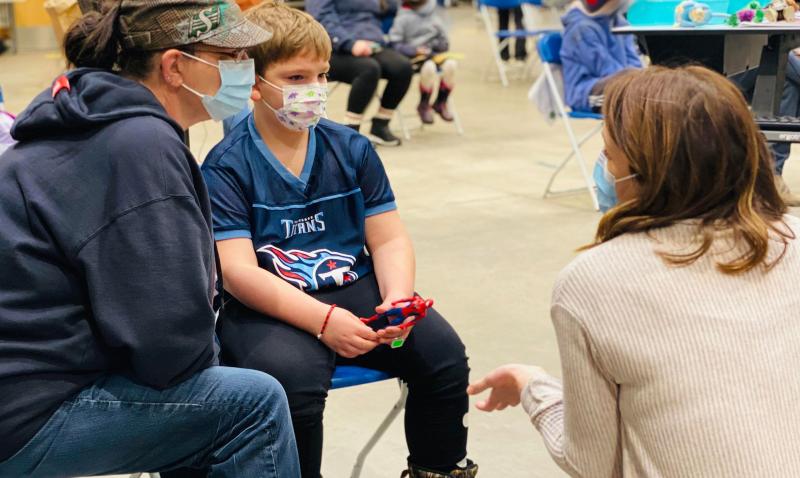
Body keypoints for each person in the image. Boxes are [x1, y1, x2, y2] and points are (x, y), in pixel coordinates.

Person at [0, 1, 300, 477]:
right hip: (29, 415)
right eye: (231, 57)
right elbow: (169, 340)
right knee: (251, 404)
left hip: (28, 388)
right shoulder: (140, 142)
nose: (247, 70)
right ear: (175, 66)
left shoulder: (95, 119)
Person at [468, 65, 800, 476]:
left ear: (646, 170)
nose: (605, 171)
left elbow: (591, 462)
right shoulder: (791, 239)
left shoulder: (593, 281)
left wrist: (531, 385)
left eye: (609, 155)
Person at [201, 3, 477, 477]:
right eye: (294, 78)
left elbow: (388, 239)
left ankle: (438, 468)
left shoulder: (351, 148)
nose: (313, 90)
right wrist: (324, 320)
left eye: (321, 75)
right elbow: (239, 272)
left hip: (353, 283)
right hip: (272, 301)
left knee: (443, 357)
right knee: (292, 383)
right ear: (253, 84)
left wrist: (397, 300)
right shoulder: (226, 166)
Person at [307, 0, 413, 146]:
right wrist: (349, 43)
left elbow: (390, 10)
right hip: (334, 49)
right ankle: (351, 131)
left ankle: (380, 125)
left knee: (403, 67)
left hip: (372, 44)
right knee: (369, 68)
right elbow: (320, 18)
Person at [561, 0, 641, 112]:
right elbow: (607, 70)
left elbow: (635, 63)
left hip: (620, 82)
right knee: (637, 98)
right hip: (586, 93)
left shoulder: (619, 22)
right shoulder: (580, 28)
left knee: (648, 91)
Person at [388, 0, 457, 124]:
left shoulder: (434, 16)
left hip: (434, 54)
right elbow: (394, 43)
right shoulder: (402, 17)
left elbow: (445, 42)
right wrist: (414, 50)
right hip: (414, 58)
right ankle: (424, 104)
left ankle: (441, 102)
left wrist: (436, 45)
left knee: (451, 65)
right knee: (429, 67)